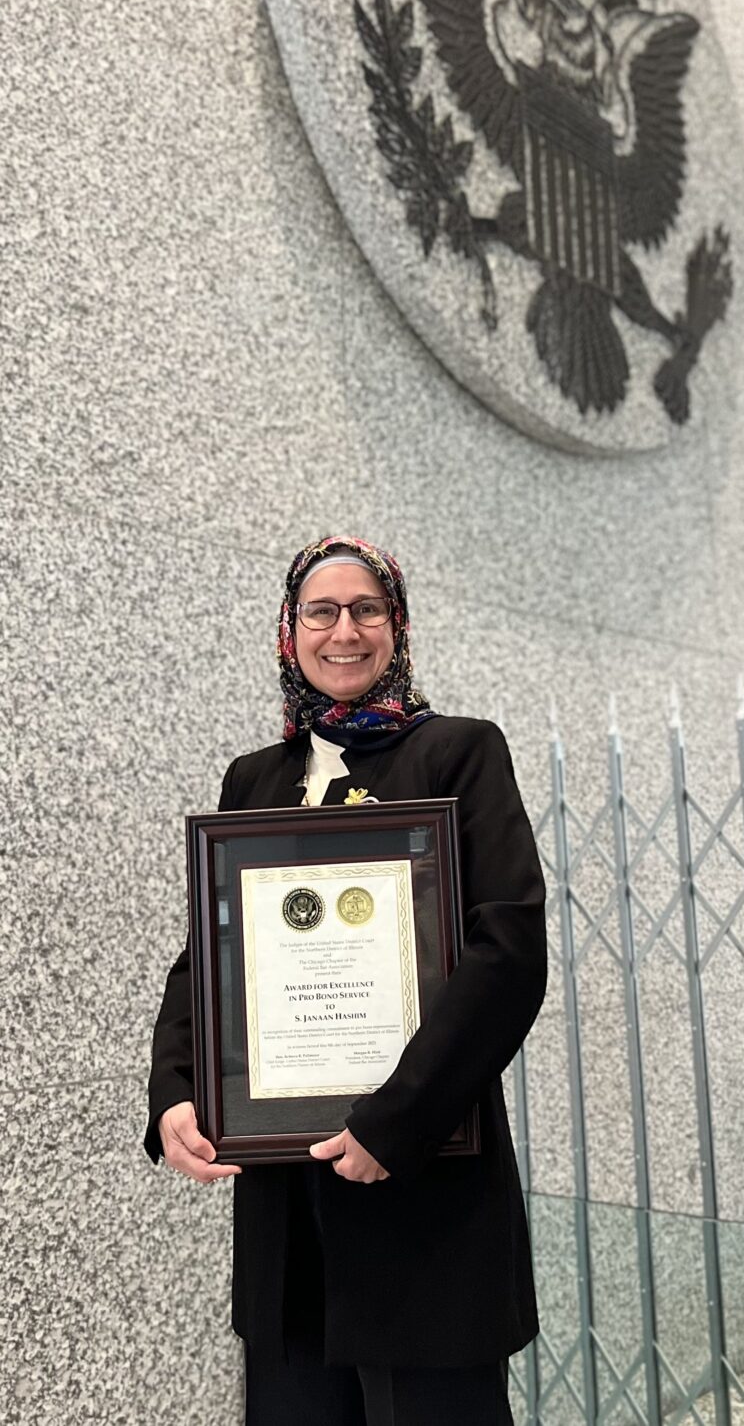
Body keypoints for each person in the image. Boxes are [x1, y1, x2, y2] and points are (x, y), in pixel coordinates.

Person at [145, 535, 548, 1426]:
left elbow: (508, 952)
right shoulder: (255, 779)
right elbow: (207, 960)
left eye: (367, 609)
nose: (345, 631)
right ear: (289, 634)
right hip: (286, 1214)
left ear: (396, 626)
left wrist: (393, 1122)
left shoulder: (459, 753)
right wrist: (177, 1092)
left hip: (423, 1199)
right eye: (321, 612)